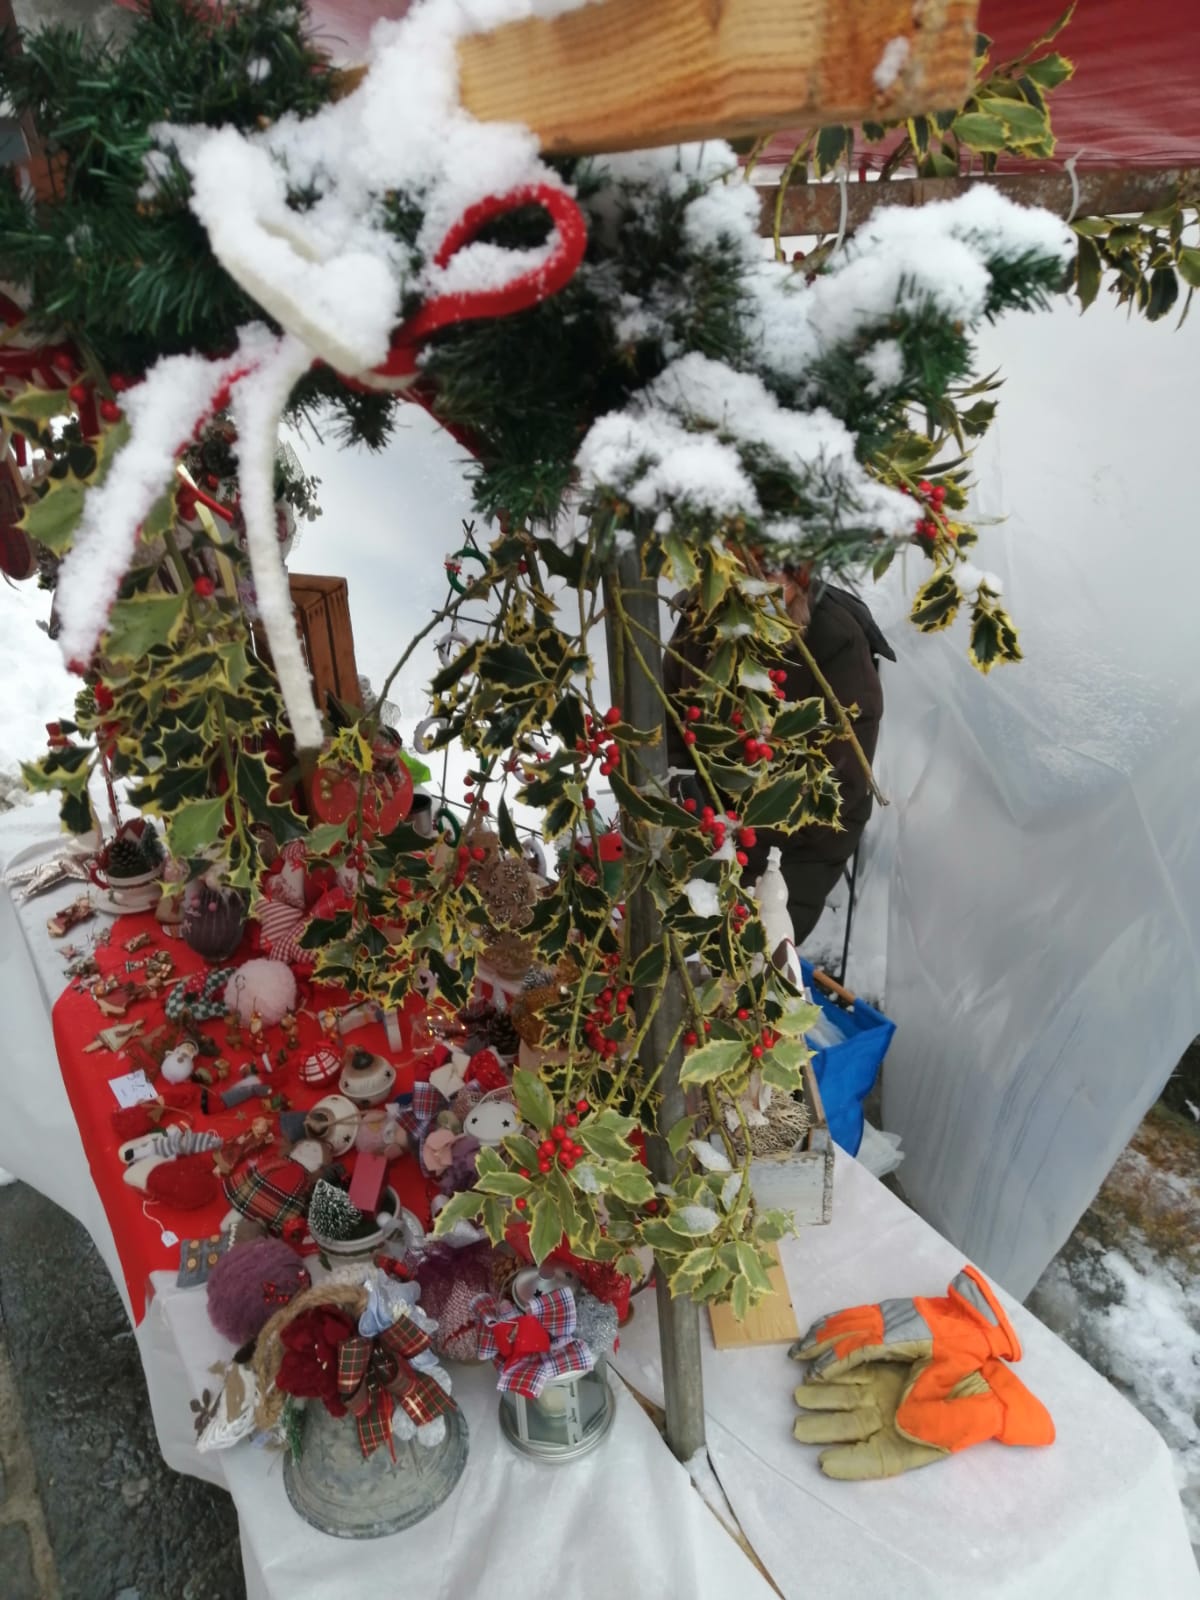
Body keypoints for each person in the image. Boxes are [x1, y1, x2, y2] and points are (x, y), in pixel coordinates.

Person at [664, 568, 894, 947]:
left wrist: (742, 840)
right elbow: (669, 723)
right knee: (659, 925)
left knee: (749, 949)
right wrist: (691, 809)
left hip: (798, 847)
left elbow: (841, 786)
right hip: (706, 822)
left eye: (774, 571)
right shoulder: (701, 620)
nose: (758, 584)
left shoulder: (836, 641)